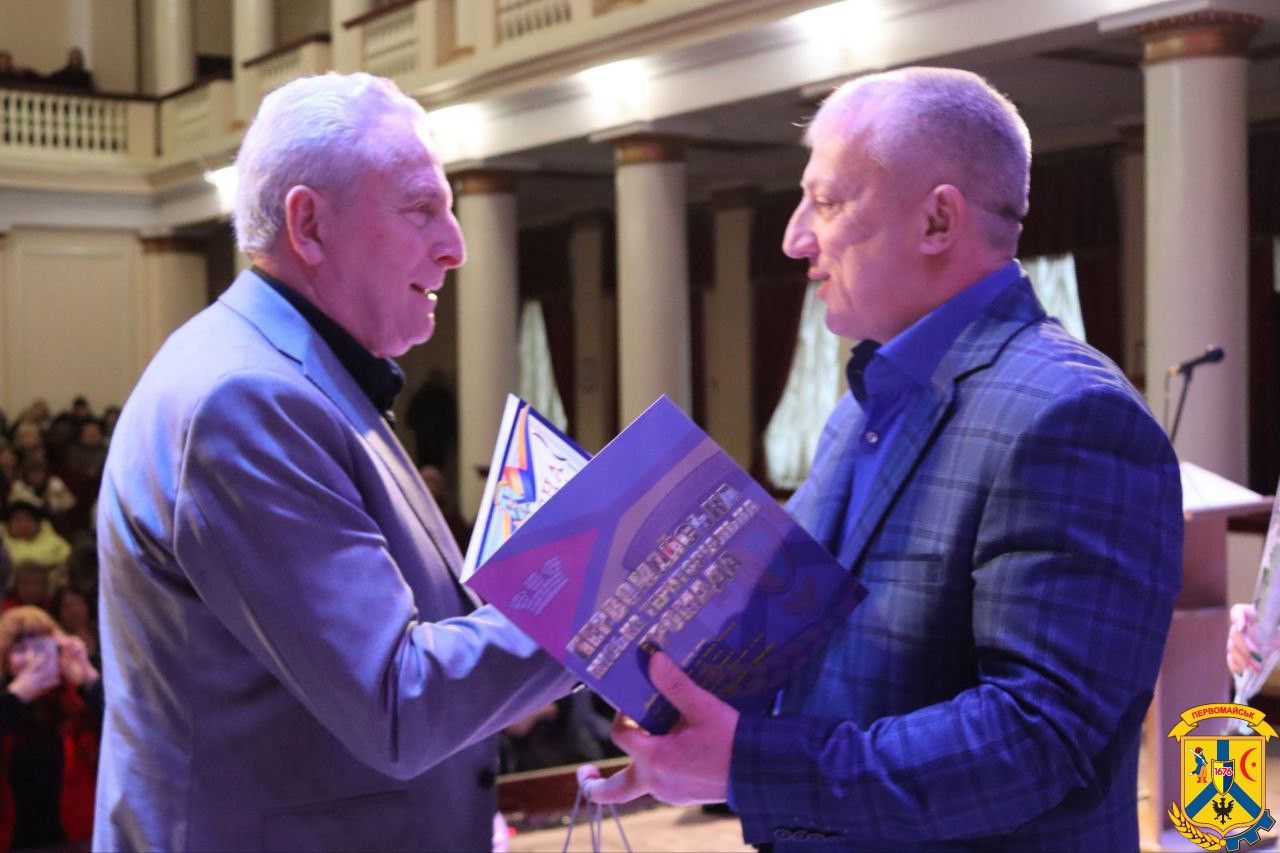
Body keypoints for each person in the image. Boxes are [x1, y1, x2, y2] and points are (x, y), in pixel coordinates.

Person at [583, 67, 1182, 850]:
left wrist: (748, 763)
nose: (795, 236)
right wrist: (680, 695)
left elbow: (1040, 736)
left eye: (827, 202)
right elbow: (811, 649)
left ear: (938, 220)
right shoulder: (860, 408)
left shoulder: (1072, 414)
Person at [94, 72, 576, 850]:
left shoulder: (298, 372)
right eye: (422, 209)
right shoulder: (244, 398)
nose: (455, 247)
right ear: (309, 224)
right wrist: (608, 592)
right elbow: (397, 700)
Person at [0, 605, 102, 849]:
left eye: (40, 647)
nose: (32, 659)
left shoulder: (76, 702)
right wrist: (16, 697)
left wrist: (88, 677)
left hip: (77, 841)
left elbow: (119, 733)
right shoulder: (6, 704)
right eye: (20, 649)